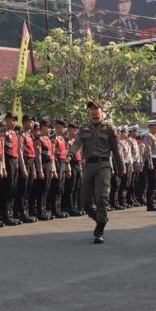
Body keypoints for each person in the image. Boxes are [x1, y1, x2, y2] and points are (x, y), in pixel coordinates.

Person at [71, 100, 125, 244]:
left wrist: (121, 168)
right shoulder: (84, 128)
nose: (94, 111)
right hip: (88, 166)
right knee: (85, 201)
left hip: (104, 165)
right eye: (91, 109)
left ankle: (99, 229)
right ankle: (100, 218)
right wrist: (70, 154)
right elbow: (77, 143)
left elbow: (116, 150)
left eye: (96, 109)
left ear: (102, 111)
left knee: (102, 198)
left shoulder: (109, 128)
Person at [17, 115, 38, 223]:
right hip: (24, 162)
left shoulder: (30, 136)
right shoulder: (21, 135)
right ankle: (22, 213)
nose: (32, 124)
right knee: (23, 189)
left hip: (30, 162)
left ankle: (26, 211)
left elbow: (33, 154)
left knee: (29, 189)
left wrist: (33, 169)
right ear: (24, 123)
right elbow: (20, 152)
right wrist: (23, 168)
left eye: (33, 122)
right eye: (30, 122)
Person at [50, 120, 71, 218]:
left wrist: (67, 167)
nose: (64, 129)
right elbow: (53, 153)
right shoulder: (54, 138)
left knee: (61, 187)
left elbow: (65, 154)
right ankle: (55, 209)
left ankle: (59, 209)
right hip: (57, 162)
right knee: (56, 186)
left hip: (63, 163)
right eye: (63, 128)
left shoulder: (62, 138)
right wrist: (54, 167)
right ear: (58, 128)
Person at [142, 119, 156, 211]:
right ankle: (150, 204)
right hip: (152, 161)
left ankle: (152, 201)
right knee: (152, 182)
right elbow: (148, 150)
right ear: (151, 127)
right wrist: (150, 163)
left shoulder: (155, 136)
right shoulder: (148, 136)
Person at [64, 123, 84, 215]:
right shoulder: (67, 141)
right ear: (70, 130)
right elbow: (66, 155)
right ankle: (70, 207)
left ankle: (76, 206)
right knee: (71, 187)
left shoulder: (77, 141)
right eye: (74, 130)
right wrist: (67, 167)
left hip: (77, 164)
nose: (76, 132)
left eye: (77, 130)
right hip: (71, 164)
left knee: (77, 187)